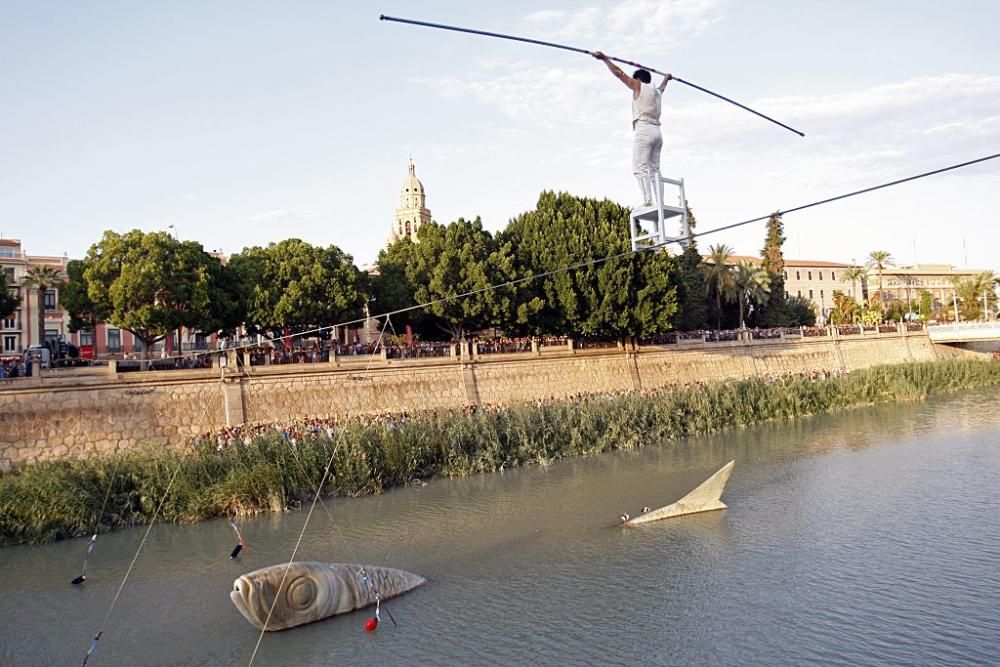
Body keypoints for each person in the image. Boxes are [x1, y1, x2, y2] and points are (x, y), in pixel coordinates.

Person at [593, 51, 671, 208]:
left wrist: (605, 59)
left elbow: (619, 74)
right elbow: (663, 88)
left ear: (639, 79)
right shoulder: (656, 92)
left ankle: (648, 201)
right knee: (655, 169)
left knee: (639, 167)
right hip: (657, 132)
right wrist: (666, 79)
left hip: (644, 129)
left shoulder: (638, 85)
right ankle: (660, 202)